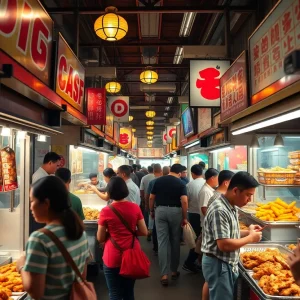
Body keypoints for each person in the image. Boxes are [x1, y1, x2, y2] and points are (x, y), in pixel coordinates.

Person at [16, 176, 89, 300]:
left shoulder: (40, 239)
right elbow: (82, 277)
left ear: (46, 203)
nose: (30, 207)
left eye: (32, 201)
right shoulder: (80, 233)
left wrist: (22, 266)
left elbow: (35, 292)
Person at [201, 172, 262, 300]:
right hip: (219, 265)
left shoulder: (230, 206)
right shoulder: (220, 210)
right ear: (235, 190)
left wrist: (248, 232)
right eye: (248, 195)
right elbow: (224, 244)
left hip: (224, 263)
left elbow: (229, 233)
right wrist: (251, 238)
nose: (249, 200)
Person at [97, 176, 148, 300]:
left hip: (112, 255)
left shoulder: (105, 211)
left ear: (109, 192)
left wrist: (111, 233)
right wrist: (131, 233)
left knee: (114, 293)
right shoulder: (135, 207)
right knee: (129, 293)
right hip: (132, 253)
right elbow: (144, 231)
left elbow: (100, 237)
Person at [149, 164, 188, 286]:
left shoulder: (158, 180)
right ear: (180, 173)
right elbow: (185, 201)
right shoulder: (181, 183)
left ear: (170, 170)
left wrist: (151, 210)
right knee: (175, 241)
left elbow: (151, 197)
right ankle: (174, 271)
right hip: (175, 211)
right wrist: (185, 217)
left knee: (162, 242)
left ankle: (164, 274)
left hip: (160, 210)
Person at [202, 169, 234, 300]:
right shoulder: (219, 201)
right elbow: (223, 244)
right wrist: (250, 237)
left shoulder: (219, 197)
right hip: (216, 258)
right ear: (227, 183)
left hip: (213, 256)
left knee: (210, 282)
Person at [182, 164, 205, 273]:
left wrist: (184, 216)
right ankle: (192, 261)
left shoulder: (189, 185)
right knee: (200, 240)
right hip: (203, 215)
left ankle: (191, 261)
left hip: (193, 214)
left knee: (195, 239)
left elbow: (186, 200)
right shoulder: (207, 184)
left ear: (192, 173)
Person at [145, 164, 162, 250]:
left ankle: (155, 246)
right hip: (163, 206)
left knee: (154, 225)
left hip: (155, 207)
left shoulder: (152, 182)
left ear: (154, 171)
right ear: (161, 171)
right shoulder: (165, 181)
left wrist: (149, 207)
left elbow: (149, 196)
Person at [140, 166, 155, 240]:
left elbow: (142, 190)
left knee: (148, 215)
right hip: (156, 201)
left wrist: (143, 200)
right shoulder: (158, 177)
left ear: (148, 170)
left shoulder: (144, 178)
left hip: (147, 199)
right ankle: (152, 231)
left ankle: (148, 230)